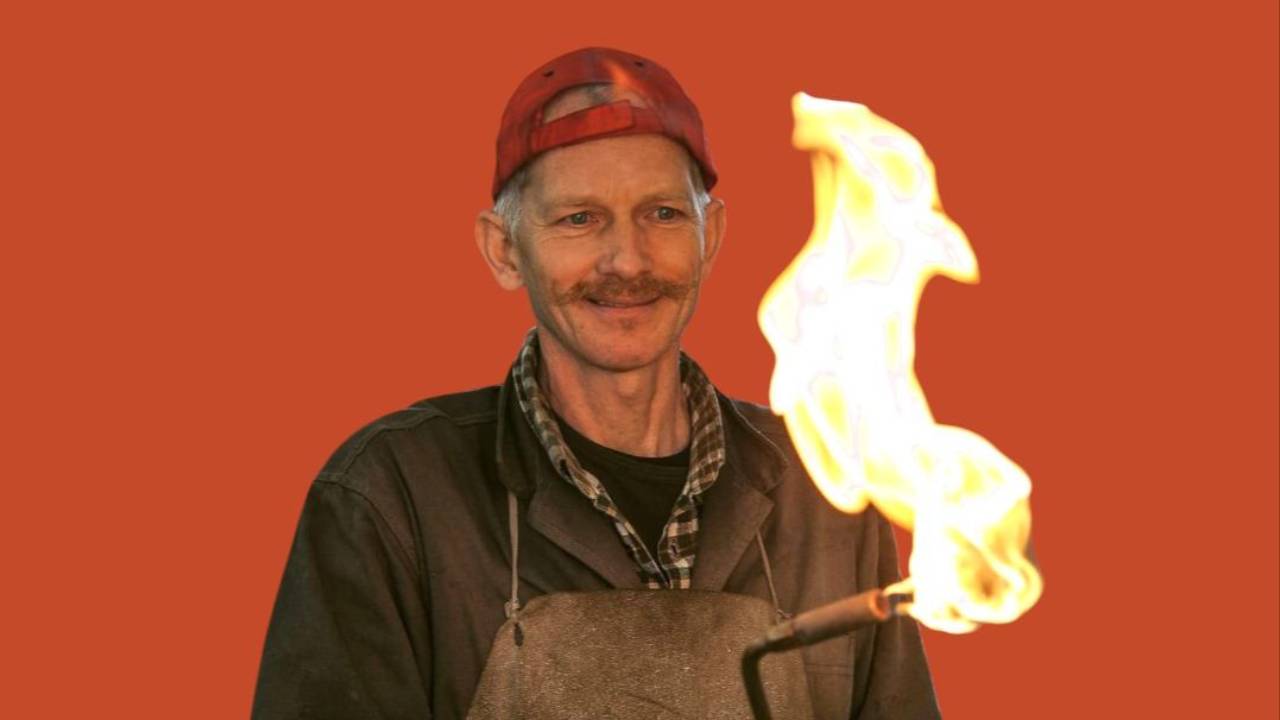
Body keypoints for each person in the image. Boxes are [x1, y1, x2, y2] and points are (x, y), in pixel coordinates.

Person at [252, 47, 941, 720]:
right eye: (579, 219)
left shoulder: (827, 491)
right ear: (504, 250)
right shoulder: (394, 496)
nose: (627, 261)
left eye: (663, 214)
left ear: (711, 237)